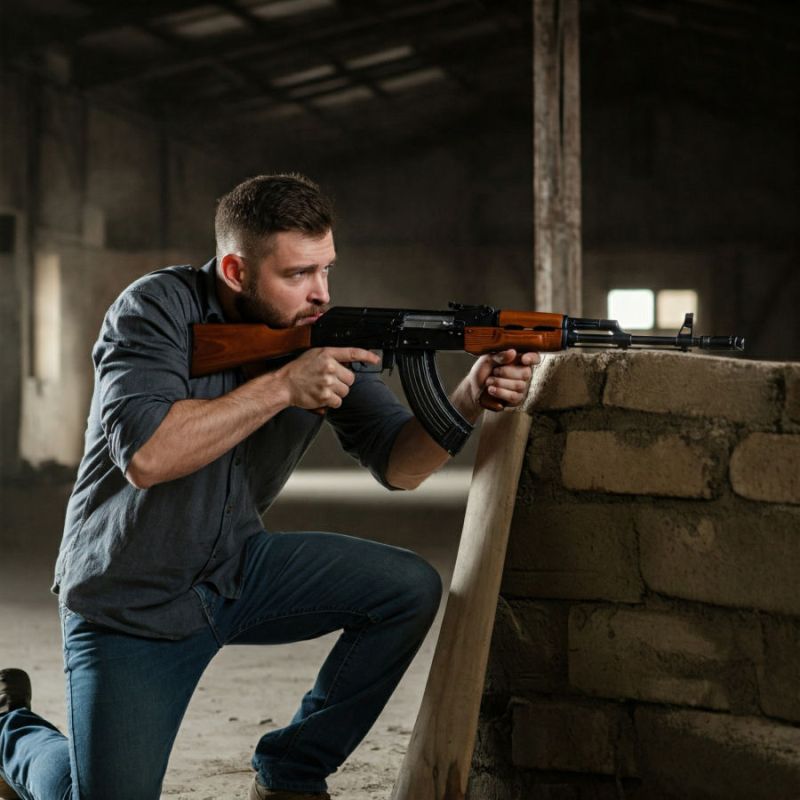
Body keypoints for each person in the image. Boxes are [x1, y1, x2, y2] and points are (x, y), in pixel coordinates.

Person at [0, 173, 538, 800]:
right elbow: (147, 455)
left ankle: (291, 771)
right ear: (235, 269)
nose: (321, 294)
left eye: (327, 269)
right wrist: (284, 387)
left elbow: (401, 468)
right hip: (129, 598)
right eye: (298, 275)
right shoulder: (153, 309)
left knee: (407, 589)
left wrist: (469, 396)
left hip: (233, 571)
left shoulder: (315, 333)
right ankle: (12, 729)